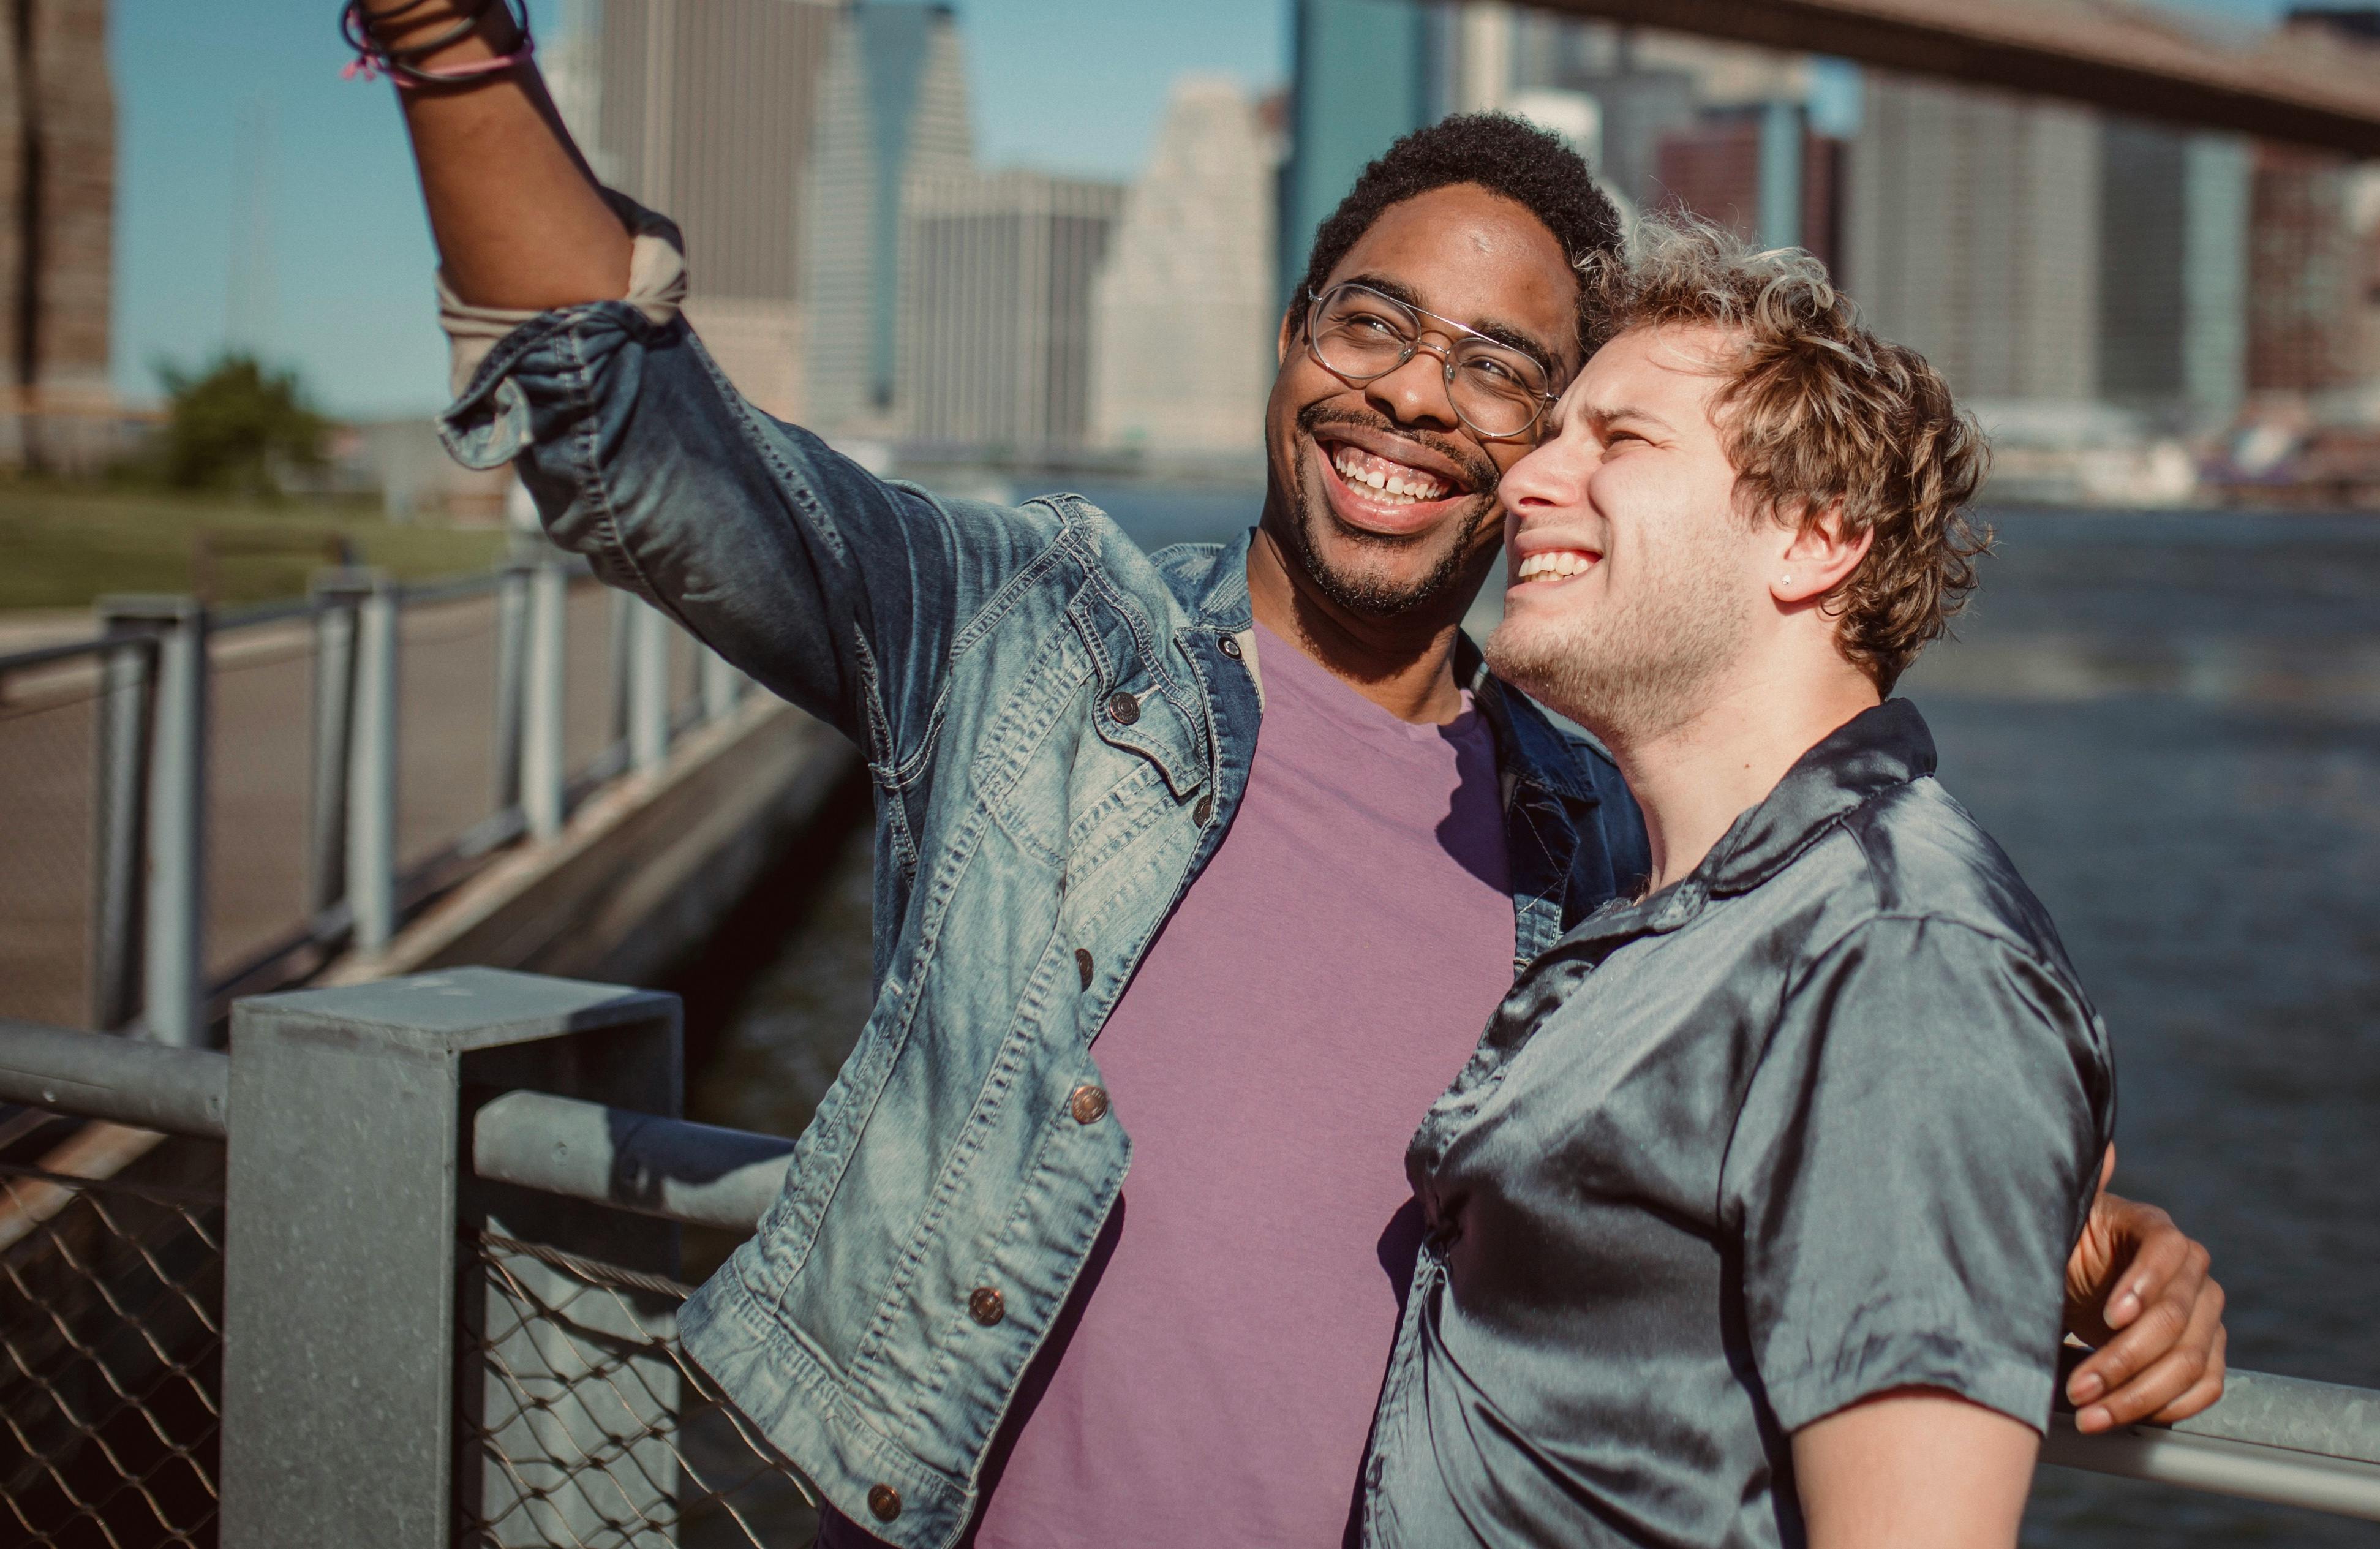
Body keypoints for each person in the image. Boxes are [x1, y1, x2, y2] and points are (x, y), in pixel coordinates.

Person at [349, 5, 2226, 1544]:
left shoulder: (1604, 835)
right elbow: (621, 424)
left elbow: (1836, 1125)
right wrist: (447, 40)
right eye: (1375, 323)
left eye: (1508, 373)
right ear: (1288, 344)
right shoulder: (1030, 642)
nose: (1419, 394)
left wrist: (2081, 1244)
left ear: (1545, 454)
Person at [1360, 217, 2118, 1548]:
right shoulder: (1685, 914)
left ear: (1816, 537)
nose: (1525, 479)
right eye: (1553, 434)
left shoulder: (1899, 953)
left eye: (1619, 440)